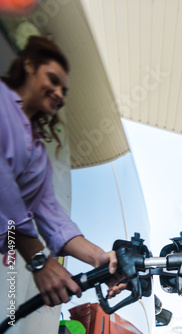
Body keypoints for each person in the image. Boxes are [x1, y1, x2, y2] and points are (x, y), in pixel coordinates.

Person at [0, 36, 122, 307]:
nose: (59, 94)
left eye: (64, 90)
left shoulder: (37, 154)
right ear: (29, 66)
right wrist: (38, 258)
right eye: (53, 80)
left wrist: (99, 257)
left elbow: (52, 216)